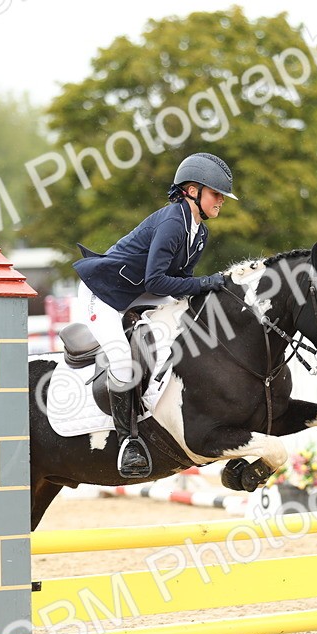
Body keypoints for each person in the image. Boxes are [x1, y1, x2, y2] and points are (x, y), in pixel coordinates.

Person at [73, 152, 238, 478]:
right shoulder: (173, 222)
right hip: (104, 294)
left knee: (190, 314)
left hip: (139, 291)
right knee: (121, 360)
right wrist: (206, 282)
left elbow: (179, 287)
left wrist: (208, 291)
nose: (221, 201)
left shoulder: (200, 232)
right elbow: (157, 280)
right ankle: (127, 443)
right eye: (216, 194)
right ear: (193, 190)